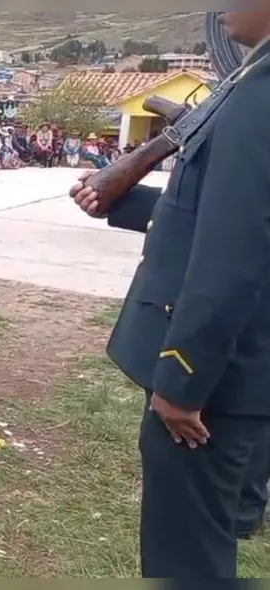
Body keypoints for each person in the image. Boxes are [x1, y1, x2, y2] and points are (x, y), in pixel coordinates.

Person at [69, 10, 270, 578]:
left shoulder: (259, 97)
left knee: (186, 559)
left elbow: (232, 258)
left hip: (216, 383)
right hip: (249, 368)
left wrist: (182, 384)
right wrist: (124, 203)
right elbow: (231, 215)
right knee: (219, 519)